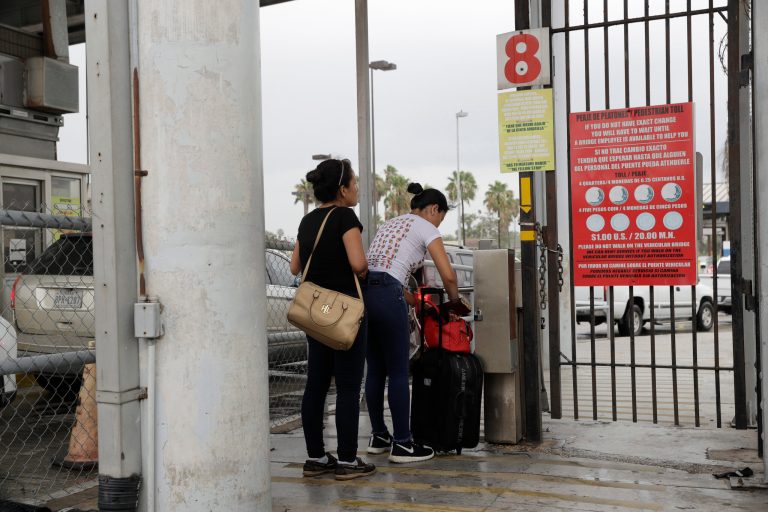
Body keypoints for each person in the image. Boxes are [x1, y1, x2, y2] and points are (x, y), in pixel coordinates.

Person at [363, 183, 469, 463]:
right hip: (388, 293)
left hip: (367, 293)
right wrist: (454, 304)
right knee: (398, 371)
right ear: (434, 210)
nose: (439, 223)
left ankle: (379, 436)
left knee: (375, 369)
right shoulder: (426, 227)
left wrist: (418, 303)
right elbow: (448, 276)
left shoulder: (390, 224)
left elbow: (386, 276)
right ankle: (403, 444)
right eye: (441, 218)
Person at [290, 158, 375, 480]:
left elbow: (294, 267)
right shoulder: (345, 217)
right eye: (354, 184)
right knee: (349, 387)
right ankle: (348, 461)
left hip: (315, 313)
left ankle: (315, 458)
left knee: (316, 385)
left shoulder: (308, 220)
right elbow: (357, 263)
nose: (356, 190)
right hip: (345, 313)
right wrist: (366, 269)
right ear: (342, 189)